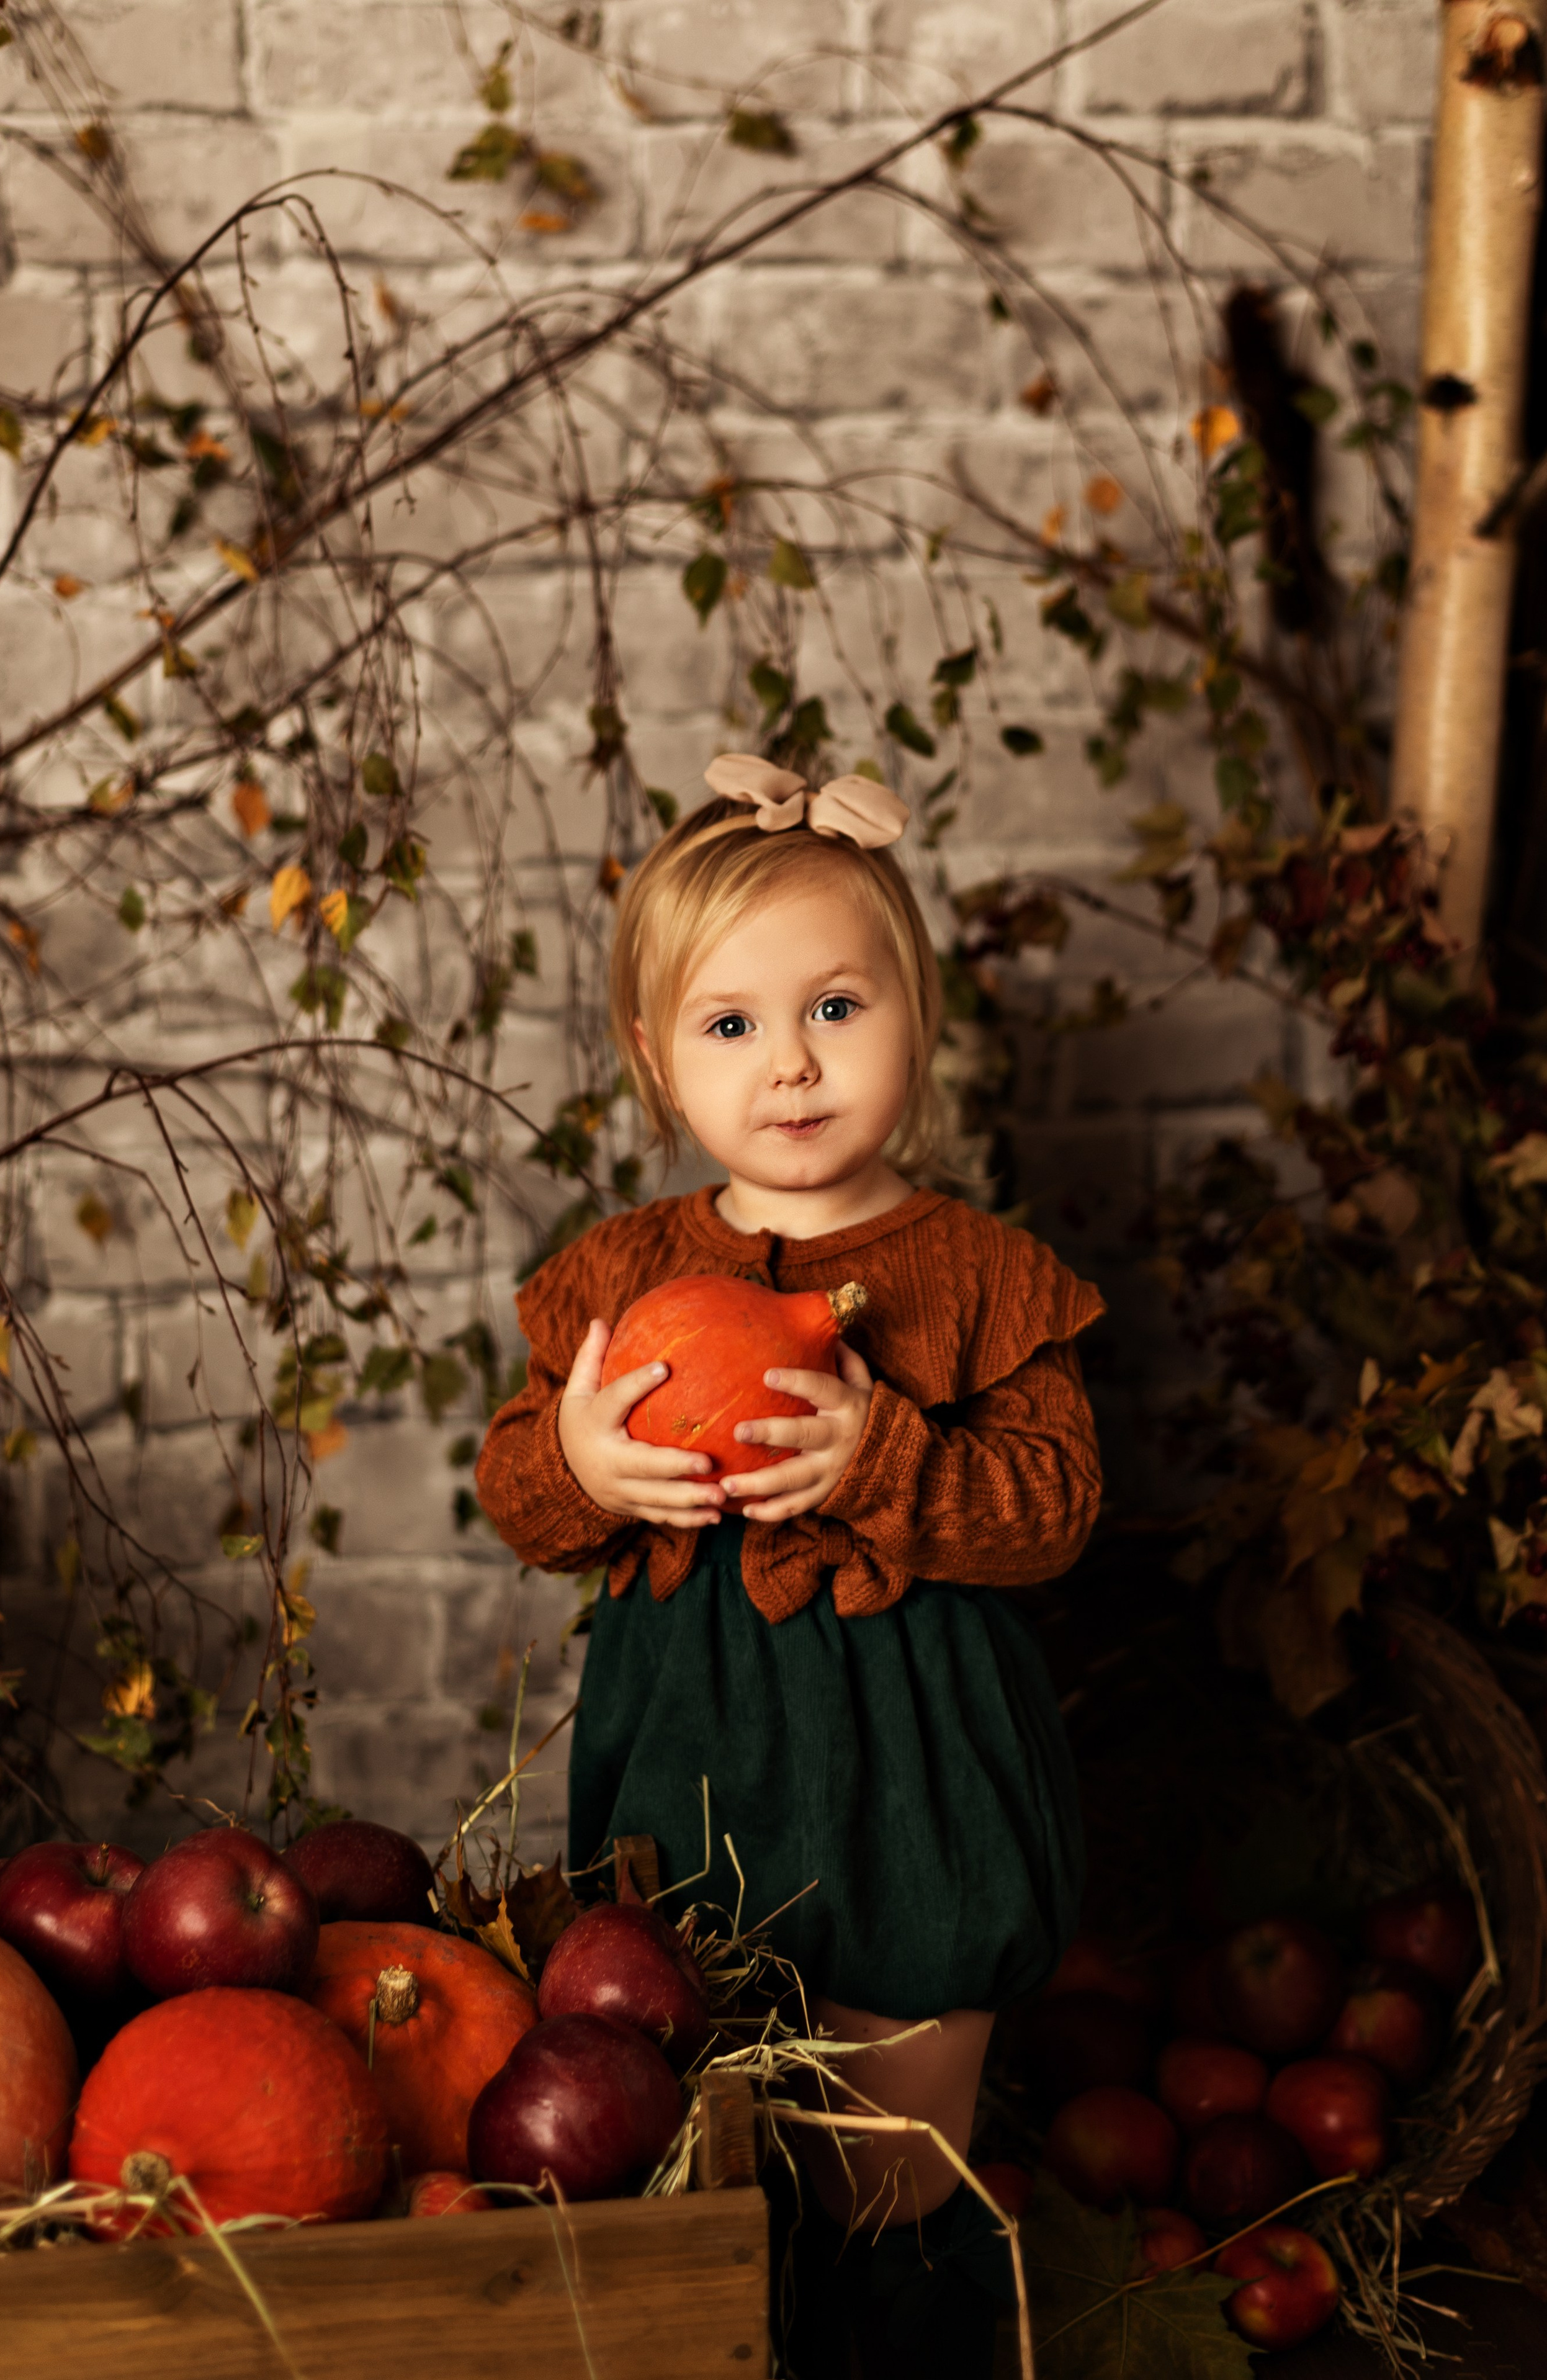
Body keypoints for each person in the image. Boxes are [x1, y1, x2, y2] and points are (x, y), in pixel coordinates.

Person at [476, 753, 1105, 2376]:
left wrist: (888, 1460)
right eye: (732, 1022)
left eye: (838, 1005)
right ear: (652, 1052)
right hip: (692, 1750)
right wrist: (585, 1466)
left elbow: (1055, 1506)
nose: (793, 1064)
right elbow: (513, 1488)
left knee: (887, 2150)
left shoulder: (970, 1272)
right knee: (694, 2108)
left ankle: (913, 2326)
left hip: (905, 1751)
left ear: (917, 1014)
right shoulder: (626, 1270)